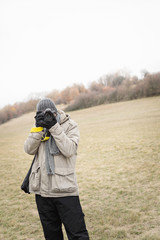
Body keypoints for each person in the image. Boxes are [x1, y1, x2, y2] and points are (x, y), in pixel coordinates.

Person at [24, 98, 89, 240]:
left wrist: (54, 126)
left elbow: (69, 149)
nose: (47, 116)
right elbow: (28, 149)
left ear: (55, 111)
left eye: (50, 113)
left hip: (65, 190)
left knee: (78, 234)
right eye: (41, 114)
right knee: (52, 236)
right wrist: (38, 128)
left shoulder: (70, 125)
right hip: (42, 193)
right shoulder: (39, 127)